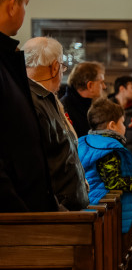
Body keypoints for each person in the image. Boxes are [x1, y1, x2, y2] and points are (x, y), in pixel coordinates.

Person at [0, 0, 56, 213]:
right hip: (14, 218)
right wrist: (20, 214)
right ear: (13, 5)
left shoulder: (7, 58)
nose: (24, 10)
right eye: (25, 3)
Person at [78, 98, 132, 232]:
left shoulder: (85, 141)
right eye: (123, 122)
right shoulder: (107, 148)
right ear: (112, 126)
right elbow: (114, 182)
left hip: (89, 203)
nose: (125, 127)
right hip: (102, 208)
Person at [23, 36, 89, 211]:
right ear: (55, 67)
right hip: (57, 212)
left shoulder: (44, 98)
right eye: (62, 67)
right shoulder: (35, 101)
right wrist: (58, 209)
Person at [62, 61, 106, 138]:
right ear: (90, 85)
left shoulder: (86, 105)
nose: (104, 86)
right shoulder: (64, 109)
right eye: (101, 82)